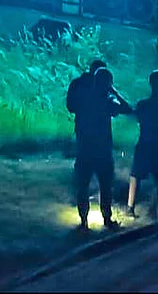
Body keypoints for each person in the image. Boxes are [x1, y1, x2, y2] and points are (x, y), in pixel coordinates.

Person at [67, 64, 132, 230]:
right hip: (102, 149)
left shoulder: (83, 95)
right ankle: (107, 219)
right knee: (105, 186)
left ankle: (83, 222)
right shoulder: (107, 98)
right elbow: (127, 109)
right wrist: (114, 91)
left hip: (85, 146)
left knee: (83, 185)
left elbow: (70, 107)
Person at [126, 70, 158, 219]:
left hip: (145, 142)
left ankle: (131, 207)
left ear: (150, 83)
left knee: (136, 175)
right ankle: (152, 209)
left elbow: (137, 117)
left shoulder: (143, 104)